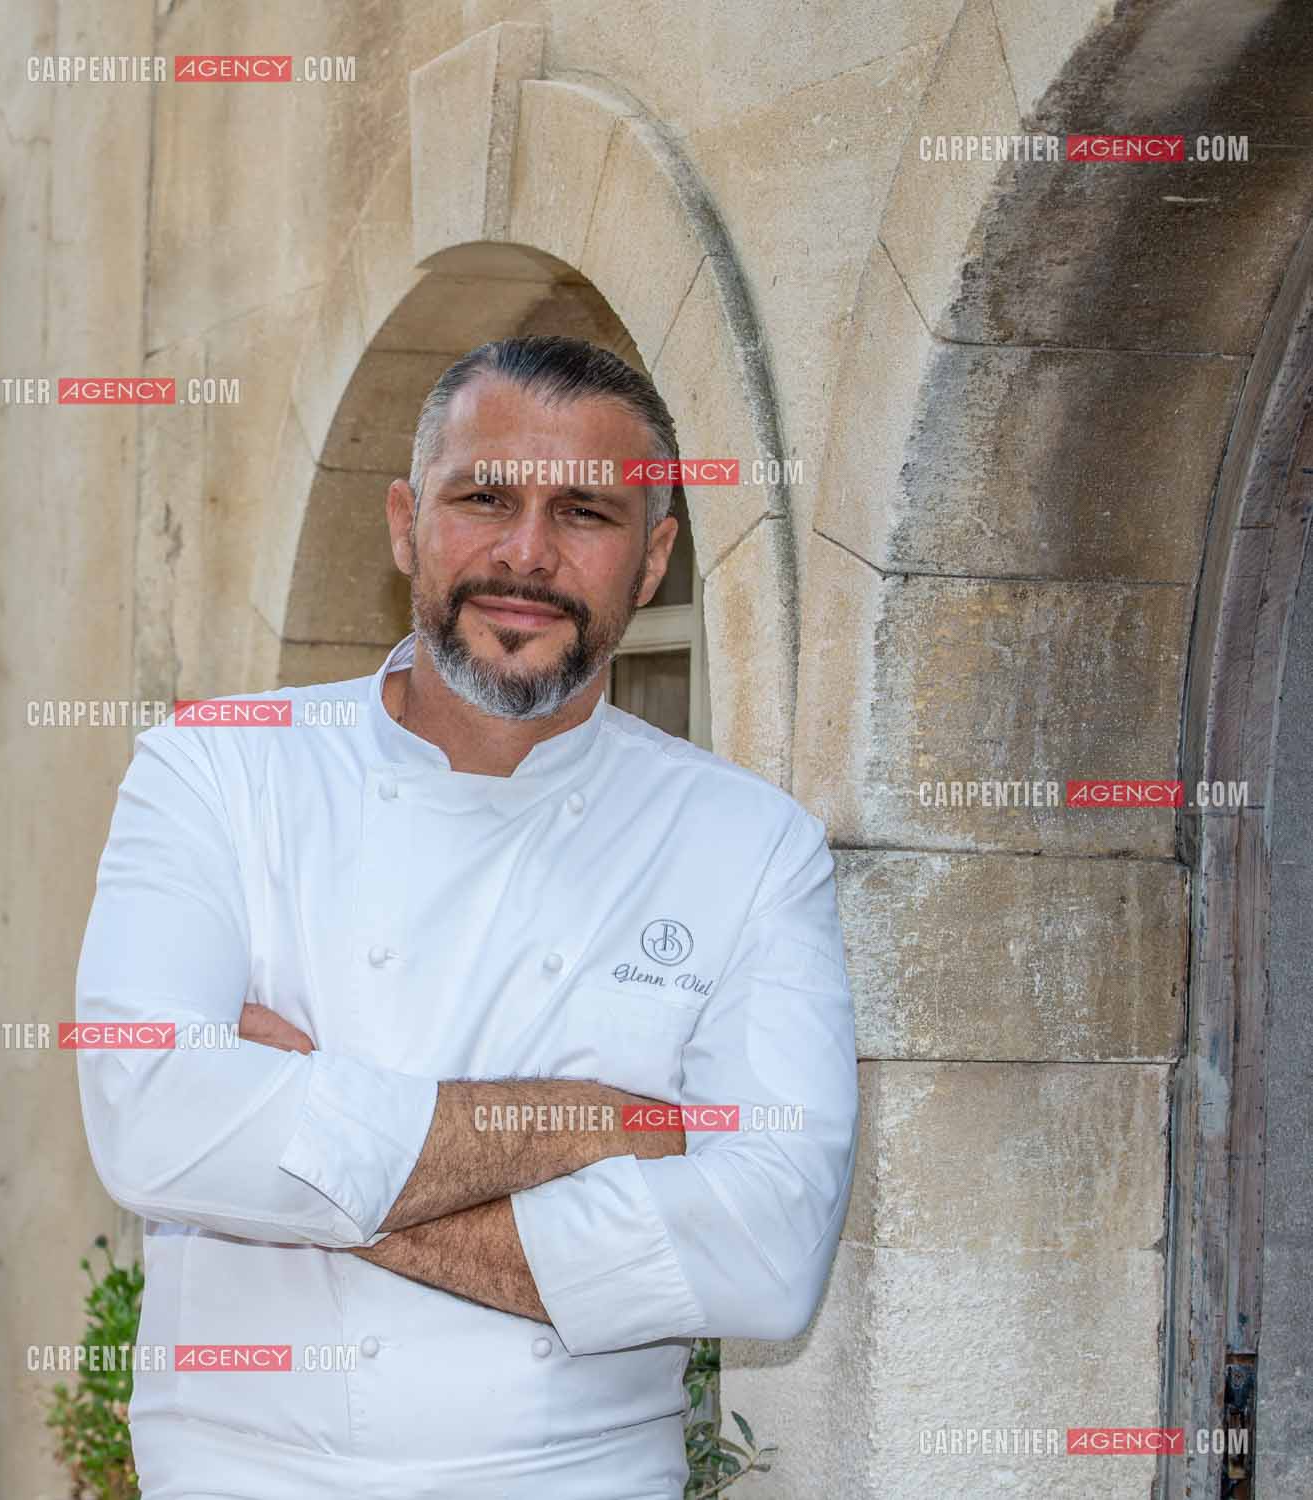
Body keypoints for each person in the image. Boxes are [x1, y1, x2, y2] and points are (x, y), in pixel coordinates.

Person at [75, 335, 858, 1499]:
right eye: (483, 496)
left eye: (586, 512)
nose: (525, 553)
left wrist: (309, 1148)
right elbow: (149, 1122)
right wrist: (586, 1121)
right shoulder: (220, 768)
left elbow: (769, 1250)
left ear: (652, 560)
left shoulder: (748, 845)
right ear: (406, 523)